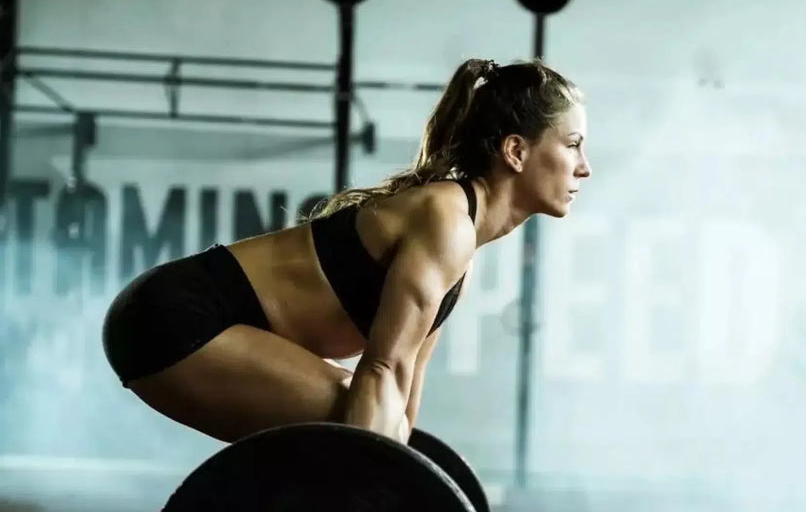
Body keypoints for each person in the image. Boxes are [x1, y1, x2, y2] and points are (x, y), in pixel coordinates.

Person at [101, 57, 592, 445]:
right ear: (516, 152)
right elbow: (379, 372)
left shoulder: (459, 244)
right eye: (572, 144)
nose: (584, 167)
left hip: (182, 318)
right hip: (170, 317)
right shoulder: (446, 221)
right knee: (349, 411)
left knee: (379, 426)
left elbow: (402, 404)